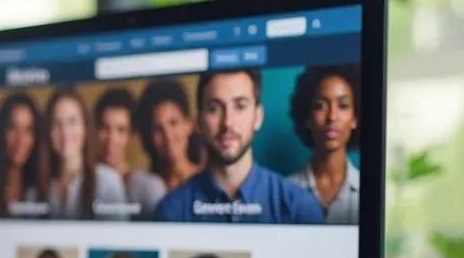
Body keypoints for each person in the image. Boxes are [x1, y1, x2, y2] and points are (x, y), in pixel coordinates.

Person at [154, 69, 326, 224]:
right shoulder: (172, 211)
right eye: (214, 108)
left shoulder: (300, 208)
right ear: (199, 121)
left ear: (257, 117)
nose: (228, 123)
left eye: (240, 106)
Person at [286, 65, 362, 225]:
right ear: (307, 118)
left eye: (343, 105)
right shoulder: (285, 191)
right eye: (320, 105)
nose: (332, 117)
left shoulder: (367, 191)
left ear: (355, 118)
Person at [44, 88, 126, 219]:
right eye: (56, 123)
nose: (65, 132)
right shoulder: (37, 188)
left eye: (72, 121)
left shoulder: (108, 182)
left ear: (85, 128)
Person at [93, 88, 168, 219]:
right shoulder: (84, 183)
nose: (111, 139)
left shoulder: (148, 186)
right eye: (105, 128)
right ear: (95, 130)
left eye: (121, 130)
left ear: (130, 135)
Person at [137, 80, 203, 192]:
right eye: (158, 129)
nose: (167, 136)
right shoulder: (148, 189)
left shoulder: (209, 180)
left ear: (189, 125)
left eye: (173, 123)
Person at [0, 92, 48, 218]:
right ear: (1, 131)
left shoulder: (40, 189)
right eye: (12, 128)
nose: (20, 140)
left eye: (28, 130)